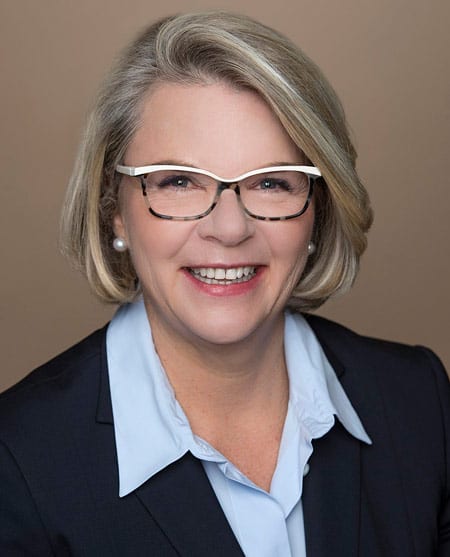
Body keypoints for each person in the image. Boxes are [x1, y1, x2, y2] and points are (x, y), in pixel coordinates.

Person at [0, 11, 448, 557]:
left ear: (319, 209)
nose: (230, 229)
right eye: (179, 181)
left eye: (272, 183)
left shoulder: (420, 402)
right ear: (113, 209)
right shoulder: (16, 459)